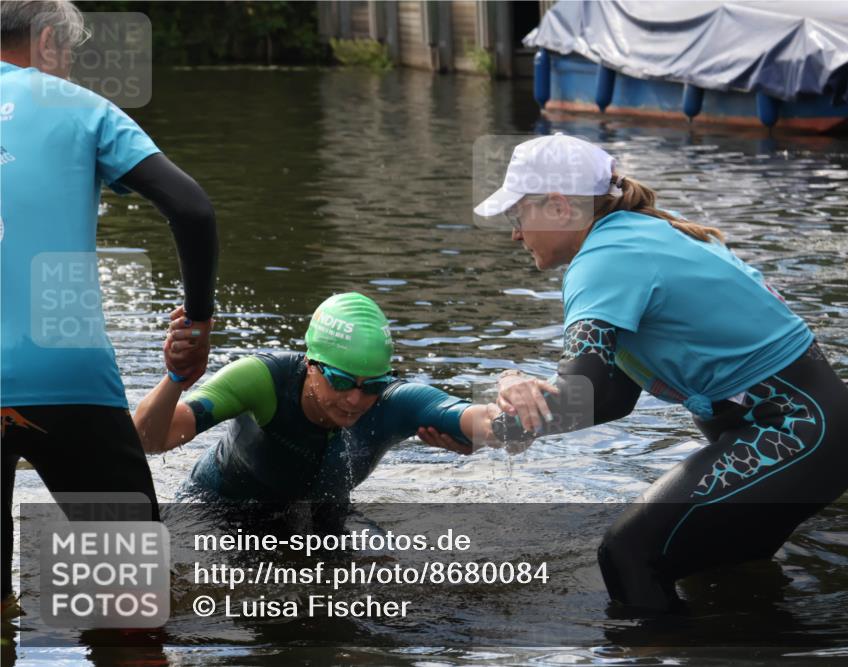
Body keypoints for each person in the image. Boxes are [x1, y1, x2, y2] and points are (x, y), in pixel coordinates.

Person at [458, 134, 848, 610]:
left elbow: (582, 391)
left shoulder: (603, 261)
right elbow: (611, 398)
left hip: (796, 435)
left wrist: (512, 384)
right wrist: (496, 429)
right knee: (728, 589)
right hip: (819, 435)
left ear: (557, 207)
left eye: (517, 215)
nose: (515, 233)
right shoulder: (632, 235)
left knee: (628, 553)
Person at [1, 0, 217, 613]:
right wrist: (196, 323)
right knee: (133, 600)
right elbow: (192, 208)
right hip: (64, 375)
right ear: (47, 43)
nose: (68, 67)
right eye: (68, 52)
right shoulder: (79, 108)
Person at [134, 292, 503, 519]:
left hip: (322, 518)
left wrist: (512, 410)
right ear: (311, 365)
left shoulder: (394, 402)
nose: (356, 399)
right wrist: (177, 378)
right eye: (341, 381)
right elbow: (150, 439)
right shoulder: (263, 380)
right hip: (218, 513)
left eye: (372, 385)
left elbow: (481, 419)